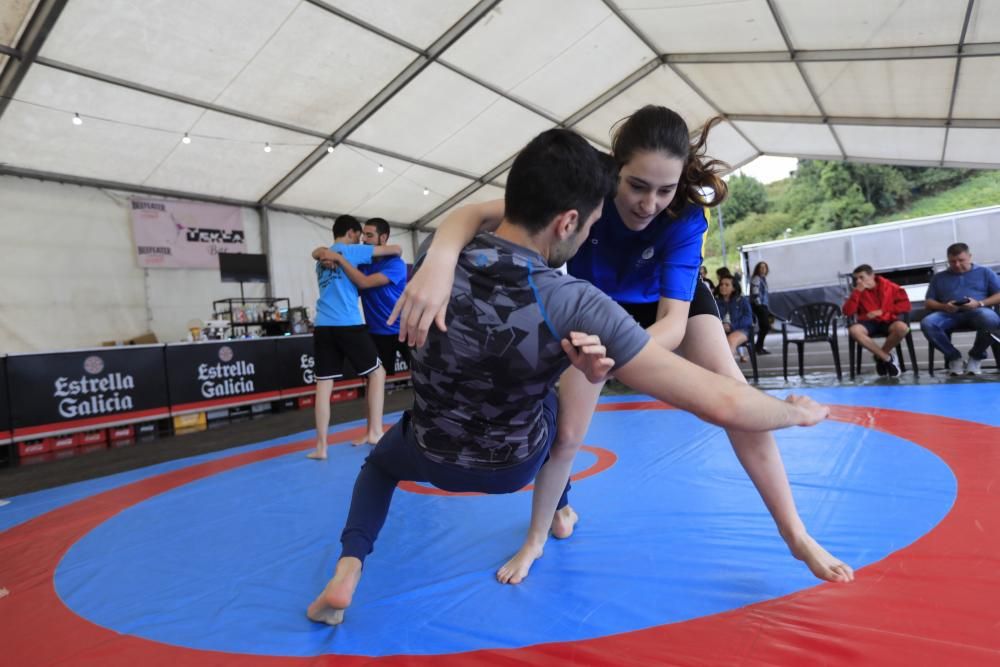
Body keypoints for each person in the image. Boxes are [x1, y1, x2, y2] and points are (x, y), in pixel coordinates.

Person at [306, 128, 848, 627]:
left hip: (660, 311)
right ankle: (539, 535)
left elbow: (678, 336)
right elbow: (473, 215)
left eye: (663, 191)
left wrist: (602, 357)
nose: (648, 204)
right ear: (593, 198)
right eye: (637, 186)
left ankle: (795, 532)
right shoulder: (584, 201)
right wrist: (442, 257)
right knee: (564, 433)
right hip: (591, 316)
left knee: (734, 395)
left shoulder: (674, 222)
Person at [308, 215, 402, 459]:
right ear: (351, 233)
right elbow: (395, 249)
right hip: (348, 323)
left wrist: (322, 252)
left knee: (323, 385)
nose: (363, 240)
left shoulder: (321, 260)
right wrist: (342, 254)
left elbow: (318, 253)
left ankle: (321, 447)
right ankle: (376, 431)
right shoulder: (353, 251)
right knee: (378, 373)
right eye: (361, 235)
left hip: (323, 325)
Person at [325, 217, 411, 377]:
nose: (364, 239)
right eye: (363, 234)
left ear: (383, 238)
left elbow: (364, 283)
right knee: (378, 382)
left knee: (421, 376)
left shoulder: (396, 264)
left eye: (369, 235)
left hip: (404, 330)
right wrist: (321, 254)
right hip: (377, 334)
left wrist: (339, 259)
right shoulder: (362, 264)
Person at [921, 242, 1000, 375]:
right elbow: (928, 302)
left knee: (991, 319)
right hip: (948, 313)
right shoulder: (939, 277)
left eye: (961, 260)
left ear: (969, 257)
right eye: (952, 262)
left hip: (978, 311)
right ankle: (953, 357)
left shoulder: (985, 272)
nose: (957, 265)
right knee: (928, 323)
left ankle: (976, 356)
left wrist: (979, 303)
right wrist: (944, 306)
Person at [842, 264, 911, 377]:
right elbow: (847, 312)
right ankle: (887, 358)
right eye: (856, 278)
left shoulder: (890, 287)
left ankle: (878, 357)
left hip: (888, 319)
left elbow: (905, 306)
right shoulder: (857, 291)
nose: (858, 281)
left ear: (872, 275)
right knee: (854, 330)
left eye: (861, 277)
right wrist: (857, 293)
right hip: (867, 322)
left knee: (902, 328)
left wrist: (882, 311)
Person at [715, 275, 752, 359]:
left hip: (741, 330)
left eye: (727, 285)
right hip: (720, 331)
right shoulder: (715, 301)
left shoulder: (741, 300)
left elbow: (748, 319)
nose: (723, 286)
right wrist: (720, 326)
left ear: (734, 288)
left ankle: (727, 371)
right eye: (721, 284)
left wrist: (731, 326)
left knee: (730, 340)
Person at [749, 262, 772, 354]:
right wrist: (759, 305)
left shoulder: (763, 279)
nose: (763, 269)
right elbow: (755, 293)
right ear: (757, 269)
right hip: (759, 306)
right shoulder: (756, 278)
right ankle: (758, 347)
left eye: (764, 267)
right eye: (761, 267)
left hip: (763, 305)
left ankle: (759, 347)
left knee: (764, 327)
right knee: (765, 326)